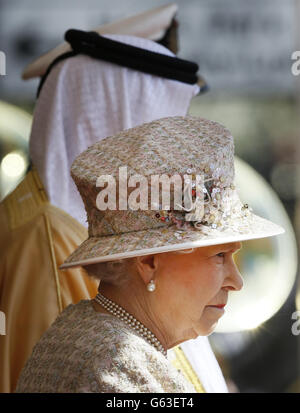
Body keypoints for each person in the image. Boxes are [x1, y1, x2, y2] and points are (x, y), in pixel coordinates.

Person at [1, 4, 199, 393]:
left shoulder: (57, 221)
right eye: (153, 135)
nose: (165, 160)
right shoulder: (48, 236)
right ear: (108, 127)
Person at [15, 115, 285, 393]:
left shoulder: (85, 330)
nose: (236, 282)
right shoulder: (116, 371)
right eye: (219, 256)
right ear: (148, 262)